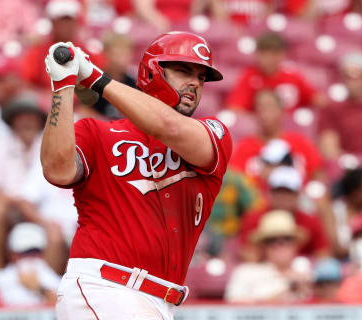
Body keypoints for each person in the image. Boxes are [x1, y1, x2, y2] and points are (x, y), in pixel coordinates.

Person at [41, 31, 232, 319]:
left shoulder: (214, 133)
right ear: (152, 73)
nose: (195, 82)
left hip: (159, 302)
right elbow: (57, 170)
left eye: (201, 77)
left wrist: (95, 77)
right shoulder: (98, 132)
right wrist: (63, 85)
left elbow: (169, 128)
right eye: (183, 70)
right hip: (103, 287)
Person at [0, 92, 46, 271]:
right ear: (12, 121)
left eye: (32, 117)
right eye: (21, 117)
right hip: (11, 207)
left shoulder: (49, 144)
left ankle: (53, 280)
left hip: (44, 207)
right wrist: (20, 203)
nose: (27, 122)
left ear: (40, 121)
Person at [230, 89, 323, 186]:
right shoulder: (244, 147)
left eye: (269, 106)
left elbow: (318, 176)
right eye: (259, 107)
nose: (263, 112)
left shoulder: (300, 142)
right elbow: (235, 183)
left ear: (281, 111)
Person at [239, 166, 330, 261]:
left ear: (297, 195)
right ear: (270, 193)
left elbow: (324, 256)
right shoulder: (253, 219)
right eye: (278, 192)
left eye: (288, 192)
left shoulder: (310, 221)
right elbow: (247, 254)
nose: (283, 197)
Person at [225, 210, 312, 304]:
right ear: (263, 246)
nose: (280, 245)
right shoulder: (245, 272)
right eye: (272, 240)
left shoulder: (306, 268)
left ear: (296, 244)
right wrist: (280, 296)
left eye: (287, 239)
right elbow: (233, 307)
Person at [225, 32, 323, 114]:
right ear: (257, 55)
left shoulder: (292, 76)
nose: (269, 59)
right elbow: (235, 108)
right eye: (265, 54)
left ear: (282, 54)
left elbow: (317, 100)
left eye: (274, 54)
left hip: (290, 130)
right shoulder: (250, 77)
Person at [20, 0, 104, 91]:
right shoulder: (38, 52)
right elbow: (27, 83)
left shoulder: (86, 52)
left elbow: (99, 82)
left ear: (76, 23)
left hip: (79, 101)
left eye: (69, 21)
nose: (65, 26)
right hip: (46, 102)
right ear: (52, 23)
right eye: (61, 21)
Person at [0, 223, 59, 307]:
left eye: (35, 252)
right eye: (24, 252)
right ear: (12, 254)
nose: (30, 257)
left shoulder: (49, 275)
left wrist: (40, 289)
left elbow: (64, 306)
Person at [92, 31, 136, 120]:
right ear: (106, 54)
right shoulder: (94, 83)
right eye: (117, 54)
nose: (121, 60)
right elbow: (83, 111)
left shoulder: (134, 84)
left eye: (125, 54)